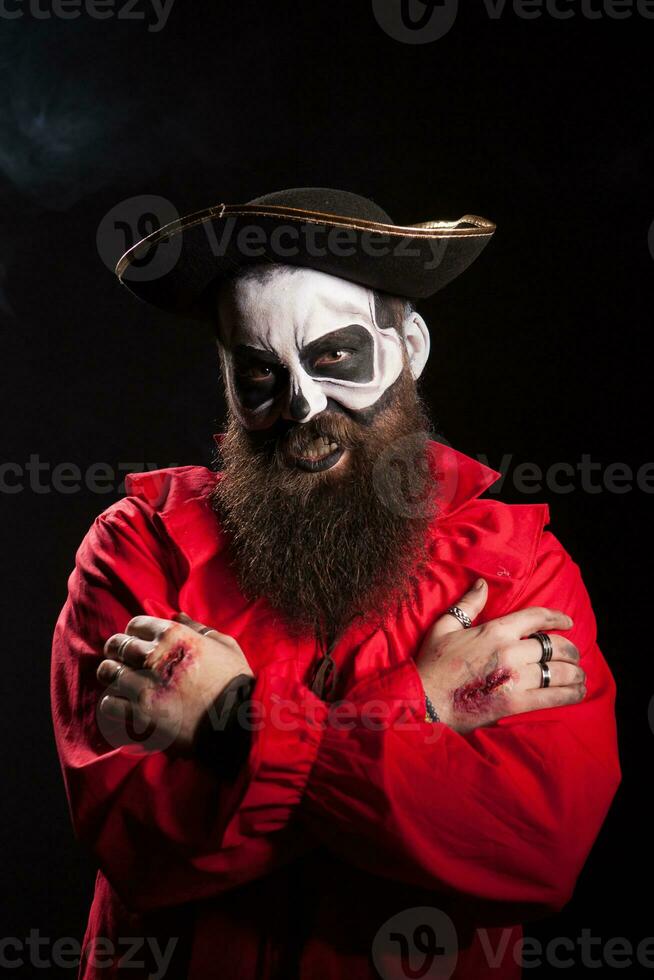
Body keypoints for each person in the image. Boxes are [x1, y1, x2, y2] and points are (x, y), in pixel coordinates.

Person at [51, 188, 620, 979]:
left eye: (334, 357)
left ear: (409, 347)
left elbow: (533, 846)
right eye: (259, 375)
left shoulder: (517, 564)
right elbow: (136, 841)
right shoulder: (135, 549)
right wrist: (420, 711)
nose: (305, 406)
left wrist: (233, 724)